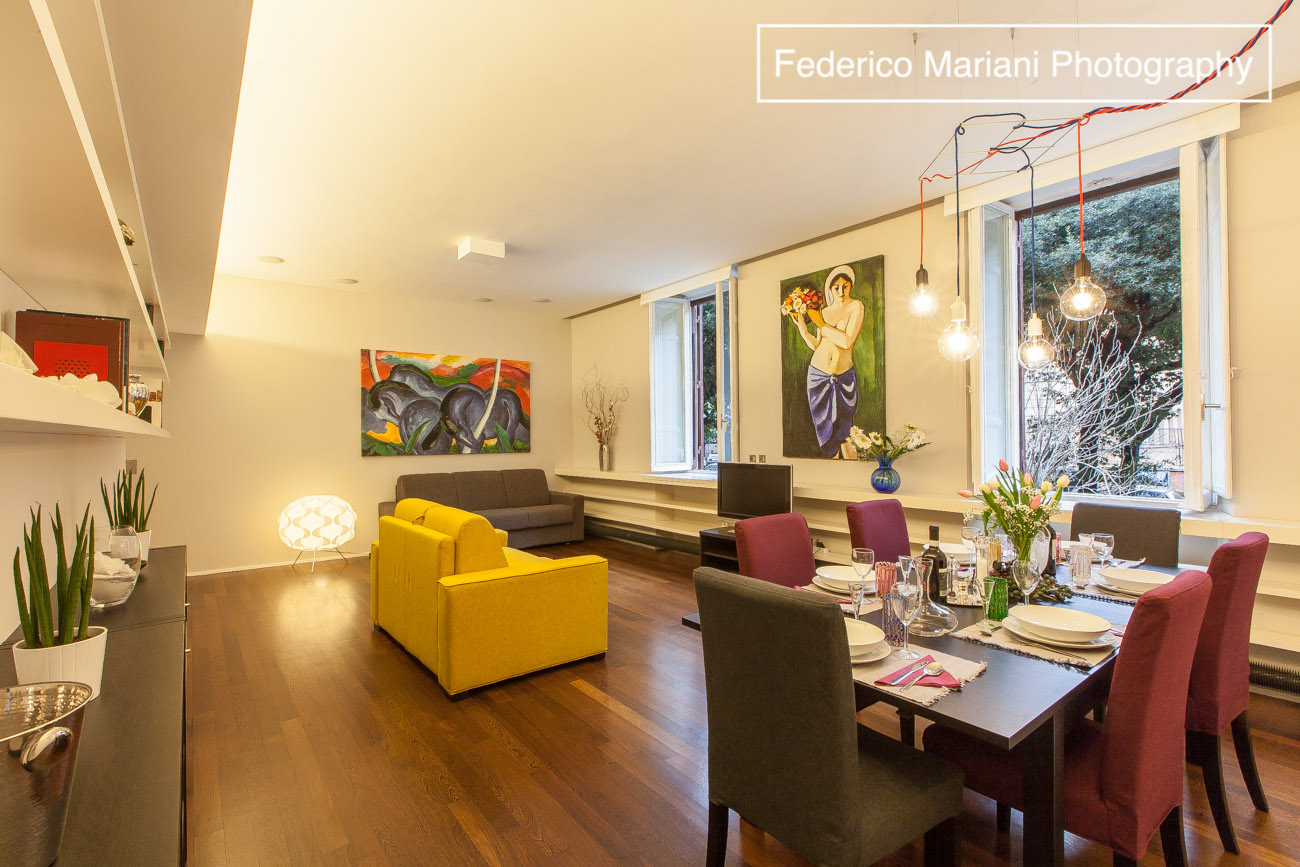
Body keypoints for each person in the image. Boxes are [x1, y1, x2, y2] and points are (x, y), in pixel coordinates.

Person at [787, 265, 865, 457]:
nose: (841, 291)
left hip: (843, 375)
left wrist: (821, 324)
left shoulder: (856, 306)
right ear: (830, 288)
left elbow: (846, 341)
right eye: (836, 287)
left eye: (845, 286)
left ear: (851, 286)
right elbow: (817, 345)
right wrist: (803, 328)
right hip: (818, 375)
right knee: (825, 431)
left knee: (845, 431)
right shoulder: (824, 311)